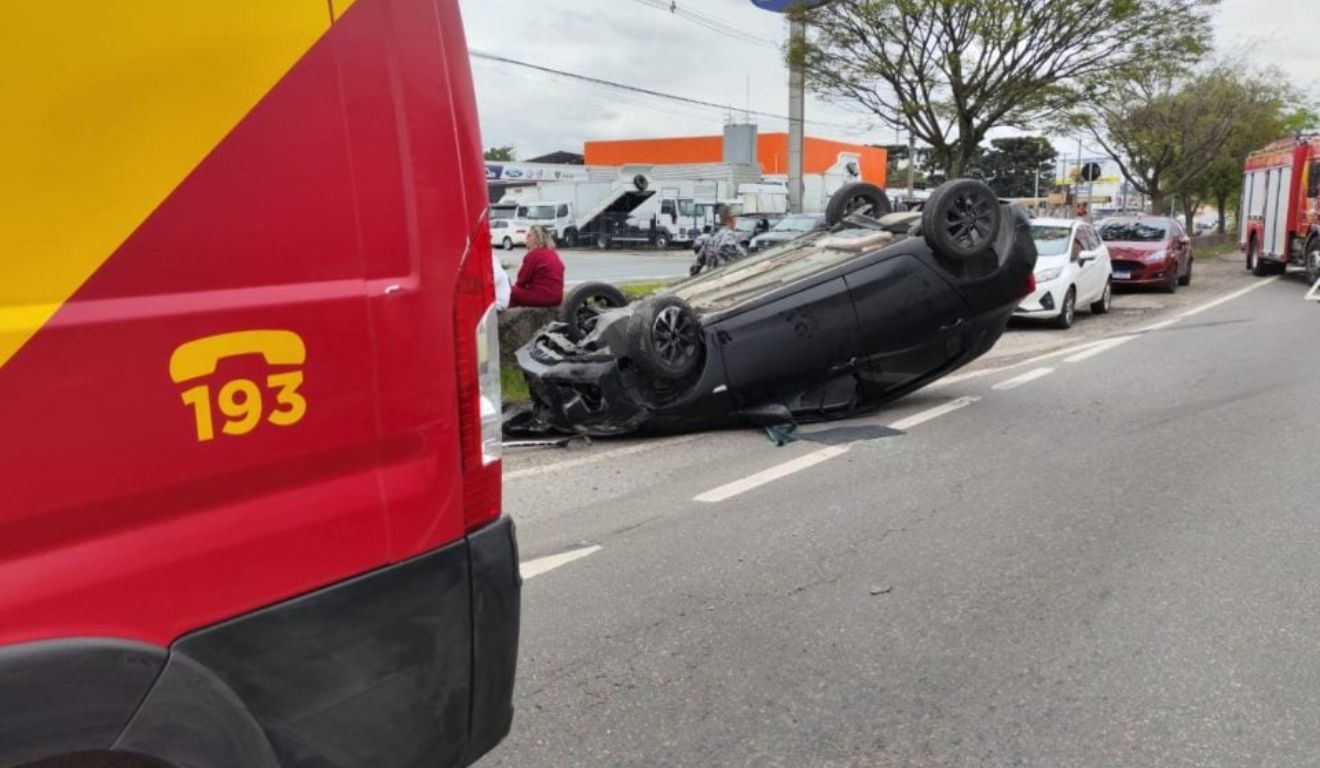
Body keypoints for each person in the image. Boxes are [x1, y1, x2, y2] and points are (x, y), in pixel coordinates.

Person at [510, 225, 565, 307]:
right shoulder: (553, 253)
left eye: (529, 236)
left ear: (537, 239)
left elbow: (521, 280)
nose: (526, 238)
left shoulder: (533, 255)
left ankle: (505, 317)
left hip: (542, 298)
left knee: (508, 290)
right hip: (557, 298)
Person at [690, 205, 747, 276]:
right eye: (735, 217)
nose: (736, 220)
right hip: (725, 279)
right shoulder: (729, 235)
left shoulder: (710, 238)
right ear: (730, 218)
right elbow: (745, 260)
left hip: (711, 280)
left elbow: (695, 266)